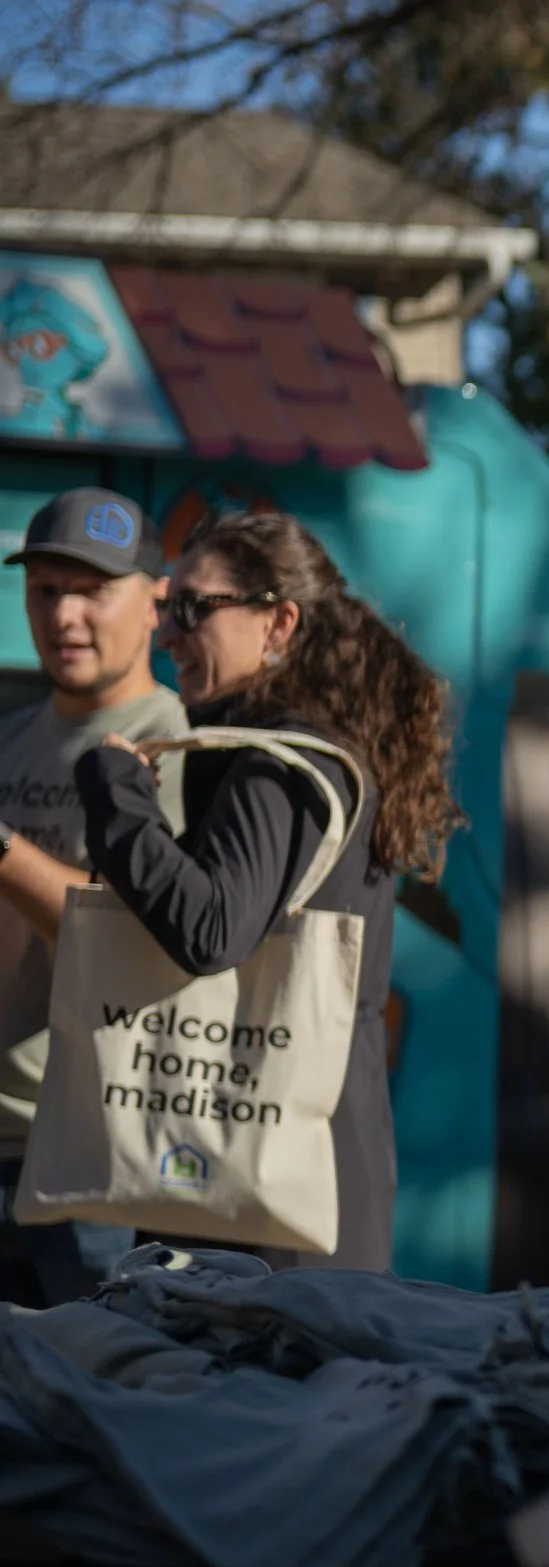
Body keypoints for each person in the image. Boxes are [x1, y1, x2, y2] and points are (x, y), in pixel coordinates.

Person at [74, 511, 461, 1272]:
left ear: (279, 619)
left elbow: (211, 927)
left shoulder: (283, 765)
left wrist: (113, 792)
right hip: (303, 1180)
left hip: (265, 1215)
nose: (167, 636)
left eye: (193, 609)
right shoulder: (314, 756)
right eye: (166, 610)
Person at [0, 486, 190, 1309]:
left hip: (89, 1162)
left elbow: (125, 943)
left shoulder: (179, 745)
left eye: (93, 589)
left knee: (84, 1421)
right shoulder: (11, 736)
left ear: (156, 602)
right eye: (45, 589)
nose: (66, 614)